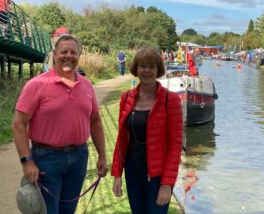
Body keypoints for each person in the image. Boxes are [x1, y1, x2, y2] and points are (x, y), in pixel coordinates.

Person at [12, 34, 108, 214]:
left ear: (78, 56)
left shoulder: (86, 85)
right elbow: (18, 124)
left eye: (73, 52)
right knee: (48, 211)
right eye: (64, 51)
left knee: (68, 210)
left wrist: (102, 156)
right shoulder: (37, 84)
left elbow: (95, 121)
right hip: (46, 159)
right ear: (55, 54)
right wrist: (27, 161)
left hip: (79, 157)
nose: (68, 56)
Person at [111, 47, 183, 214]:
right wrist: (117, 174)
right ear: (136, 68)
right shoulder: (127, 97)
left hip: (157, 175)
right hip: (132, 170)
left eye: (152, 66)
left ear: (158, 70)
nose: (147, 70)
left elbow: (175, 146)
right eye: (142, 66)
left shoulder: (169, 100)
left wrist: (167, 184)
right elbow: (122, 139)